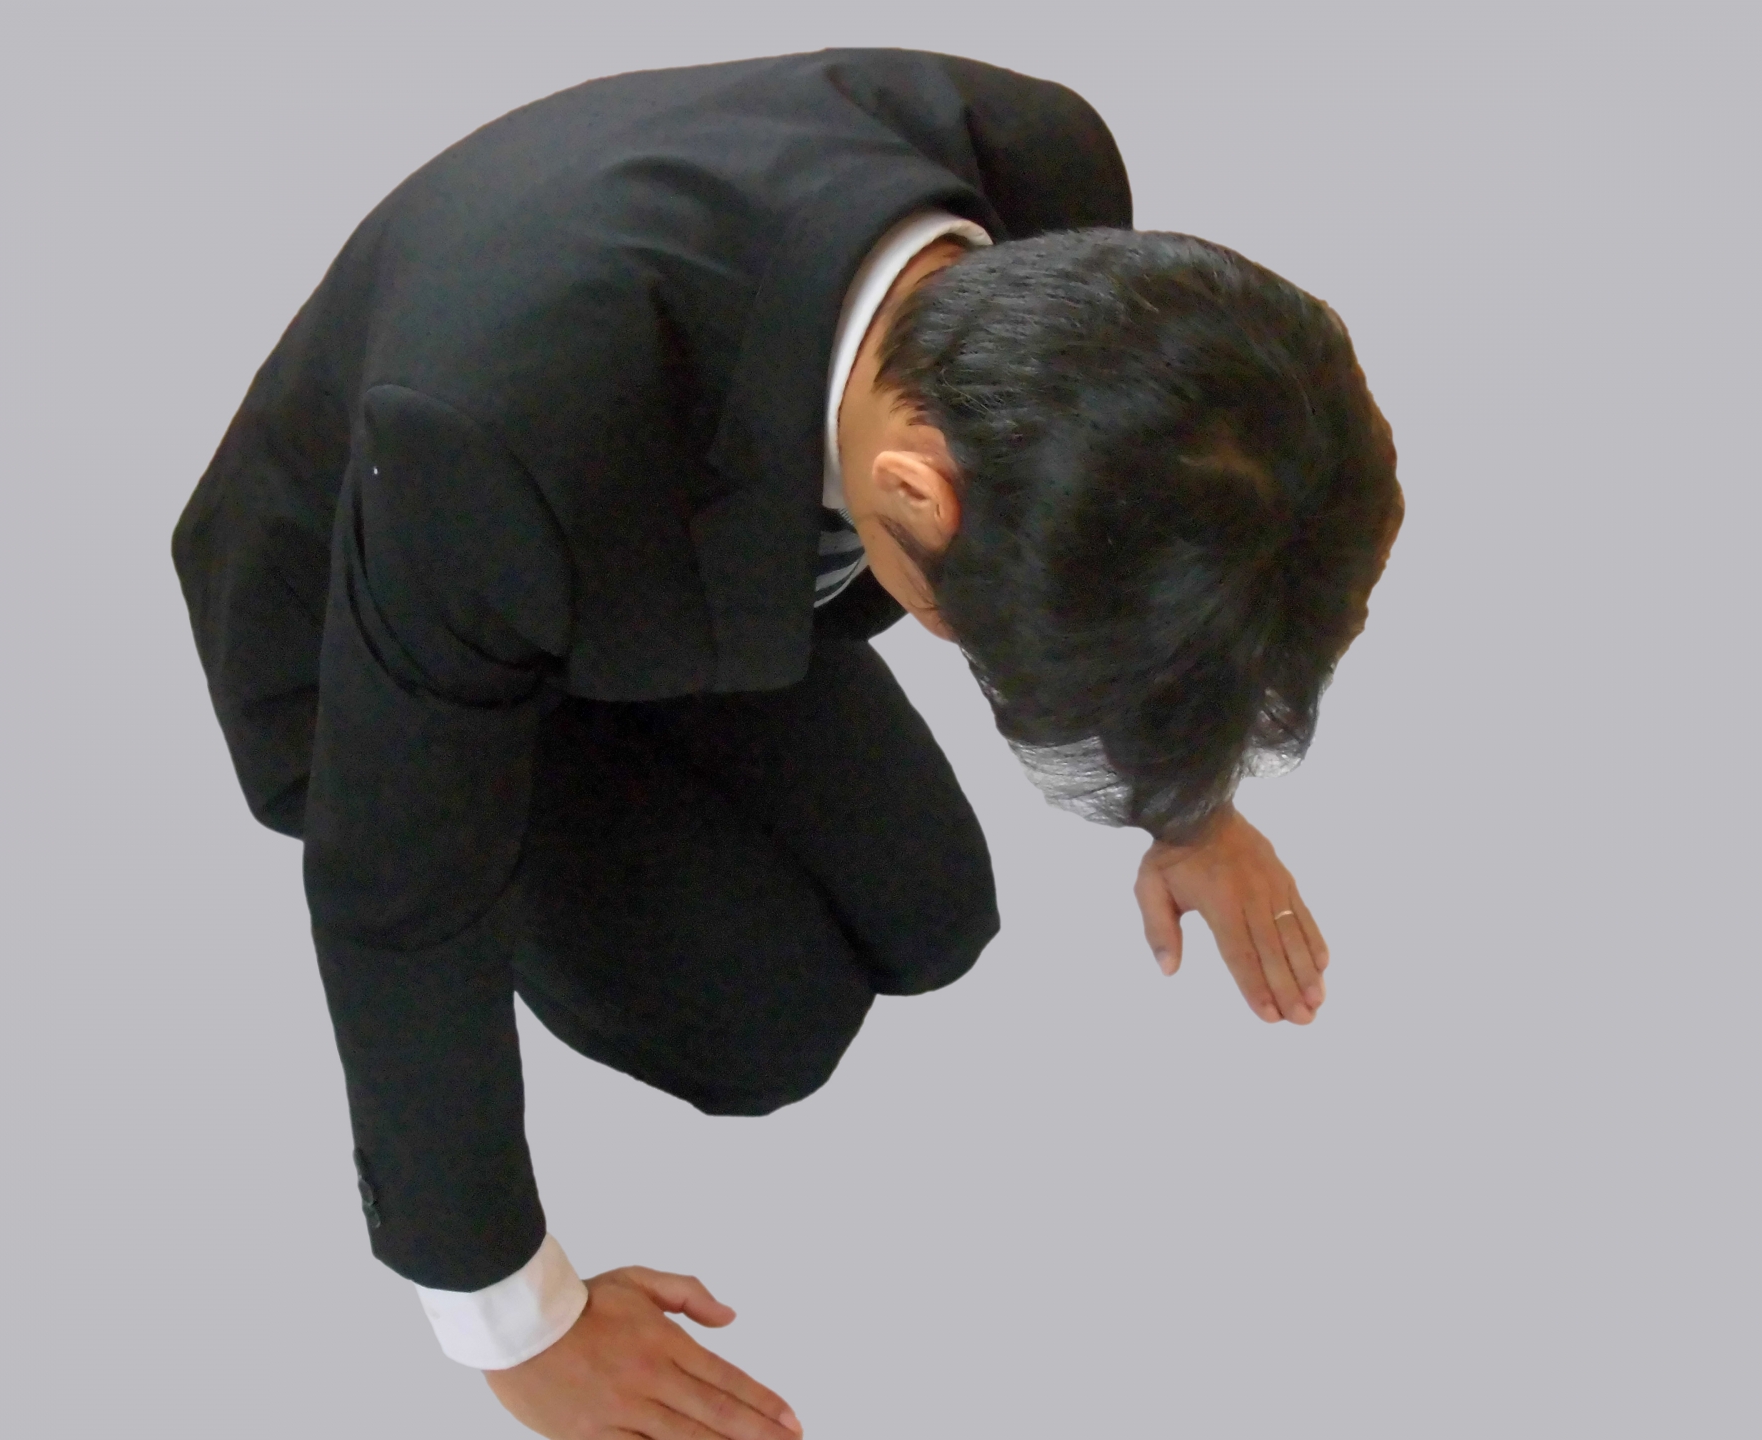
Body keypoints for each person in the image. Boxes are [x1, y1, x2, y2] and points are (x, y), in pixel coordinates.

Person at [173, 46, 1402, 1440]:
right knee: (763, 1032)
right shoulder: (485, 432)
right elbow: (397, 883)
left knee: (936, 919)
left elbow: (1137, 504)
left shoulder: (1044, 170)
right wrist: (512, 1318)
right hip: (397, 626)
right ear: (914, 496)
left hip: (701, 513)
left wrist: (1192, 804)